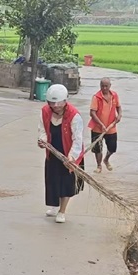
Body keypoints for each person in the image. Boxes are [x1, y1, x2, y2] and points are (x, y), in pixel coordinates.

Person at [37, 83, 85, 223]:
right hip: (52, 152)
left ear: (65, 101)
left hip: (68, 153)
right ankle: (53, 206)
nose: (55, 106)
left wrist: (71, 157)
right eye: (52, 103)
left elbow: (78, 139)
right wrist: (42, 141)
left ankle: (62, 211)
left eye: (58, 103)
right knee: (52, 181)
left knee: (66, 183)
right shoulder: (45, 111)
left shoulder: (74, 116)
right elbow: (43, 130)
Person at [89, 77, 122, 173]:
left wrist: (119, 115)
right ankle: (99, 165)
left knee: (112, 148)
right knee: (97, 149)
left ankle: (106, 159)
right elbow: (92, 113)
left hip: (111, 128)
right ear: (100, 86)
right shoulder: (96, 97)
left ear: (110, 86)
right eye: (102, 86)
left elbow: (119, 107)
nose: (104, 88)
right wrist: (101, 125)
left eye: (106, 86)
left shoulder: (114, 95)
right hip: (97, 128)